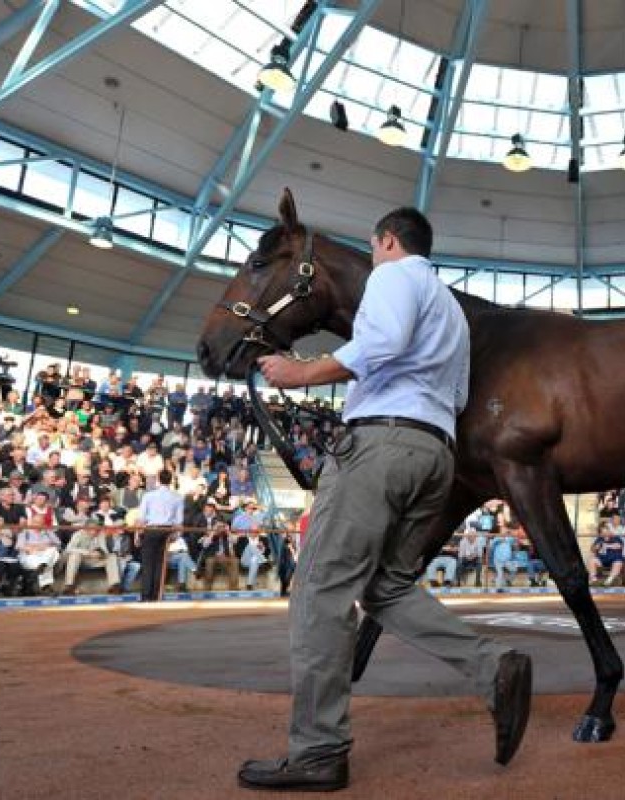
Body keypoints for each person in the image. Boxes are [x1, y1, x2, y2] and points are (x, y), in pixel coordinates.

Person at [244, 206, 531, 790]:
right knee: (386, 586)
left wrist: (301, 373)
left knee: (321, 590)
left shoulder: (395, 276)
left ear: (389, 241)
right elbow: (450, 388)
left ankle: (318, 750)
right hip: (435, 452)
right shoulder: (449, 305)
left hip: (383, 444)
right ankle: (492, 665)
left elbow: (384, 341)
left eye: (374, 247)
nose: (373, 256)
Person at [135, 469, 184, 602]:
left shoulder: (149, 495)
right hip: (167, 531)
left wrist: (137, 535)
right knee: (160, 564)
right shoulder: (177, 497)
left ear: (158, 479)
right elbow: (179, 521)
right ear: (170, 480)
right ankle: (156, 596)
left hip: (152, 529)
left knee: (148, 563)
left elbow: (141, 518)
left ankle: (146, 596)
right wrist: (176, 536)